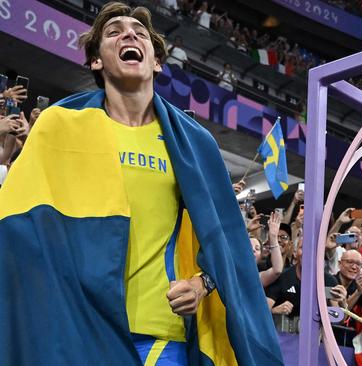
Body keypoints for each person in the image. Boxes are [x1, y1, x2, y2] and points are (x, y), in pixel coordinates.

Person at [0, 3, 282, 365]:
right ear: (96, 62)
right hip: (78, 328)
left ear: (157, 62)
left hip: (161, 336)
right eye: (114, 32)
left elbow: (229, 243)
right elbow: (17, 227)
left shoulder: (194, 143)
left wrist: (201, 284)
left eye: (139, 32)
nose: (129, 34)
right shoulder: (58, 126)